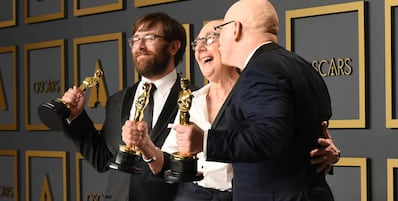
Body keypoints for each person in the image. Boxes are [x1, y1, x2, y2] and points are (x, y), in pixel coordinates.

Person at [123, 19, 340, 201]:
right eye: (197, 43)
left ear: (229, 42)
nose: (199, 48)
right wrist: (146, 146)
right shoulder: (190, 101)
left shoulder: (259, 93)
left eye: (209, 39)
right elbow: (170, 165)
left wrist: (324, 153)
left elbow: (275, 140)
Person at [174, 0, 336, 201]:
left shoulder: (261, 69)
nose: (220, 40)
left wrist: (204, 141)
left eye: (221, 31)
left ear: (236, 29)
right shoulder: (301, 65)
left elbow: (271, 137)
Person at [60, 12, 189, 201]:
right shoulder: (117, 100)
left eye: (150, 38)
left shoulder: (195, 99)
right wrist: (76, 117)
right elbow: (103, 160)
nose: (140, 46)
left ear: (174, 46)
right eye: (135, 39)